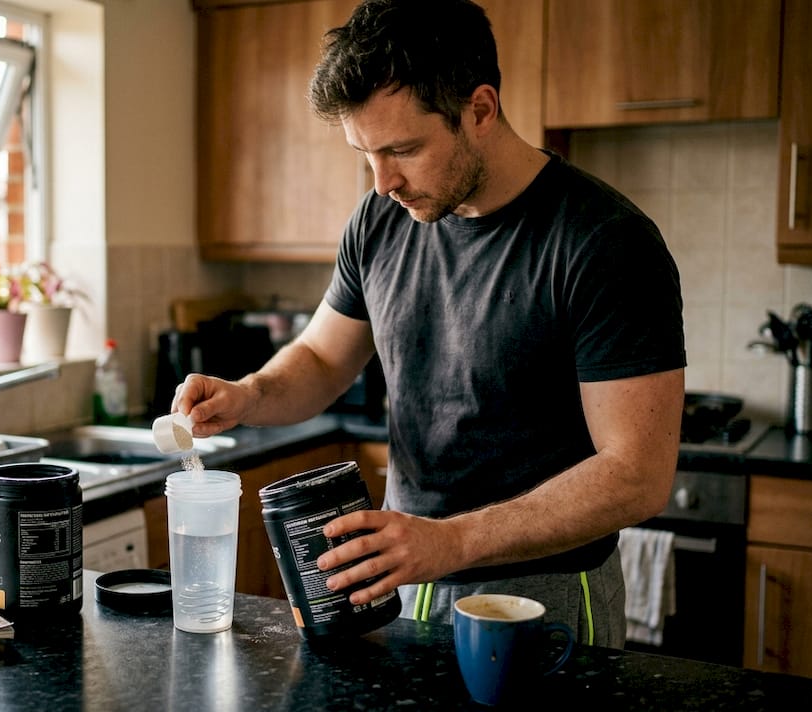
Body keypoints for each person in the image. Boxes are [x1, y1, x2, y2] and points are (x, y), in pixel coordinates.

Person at [174, 0, 685, 647]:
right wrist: (249, 394)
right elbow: (326, 359)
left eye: (403, 150)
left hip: (541, 594)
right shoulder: (380, 219)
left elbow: (638, 474)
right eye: (366, 155)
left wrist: (452, 541)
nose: (383, 181)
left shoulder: (605, 242)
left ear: (480, 109)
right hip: (405, 574)